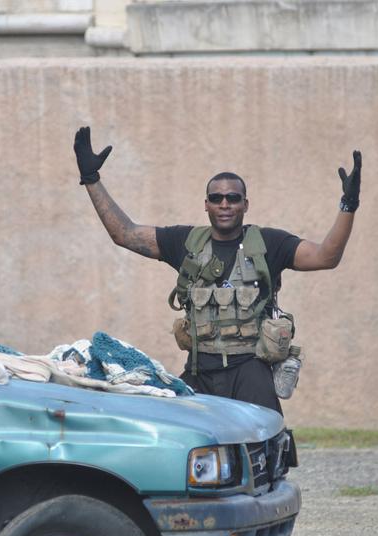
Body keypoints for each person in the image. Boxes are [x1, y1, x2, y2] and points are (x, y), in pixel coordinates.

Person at [73, 126, 361, 414]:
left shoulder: (269, 244)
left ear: (245, 204)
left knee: (262, 446)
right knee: (185, 441)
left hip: (251, 371)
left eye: (233, 198)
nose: (225, 204)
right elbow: (125, 234)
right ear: (206, 205)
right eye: (217, 198)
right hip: (200, 371)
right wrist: (91, 179)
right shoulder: (185, 242)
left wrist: (348, 205)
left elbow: (326, 256)